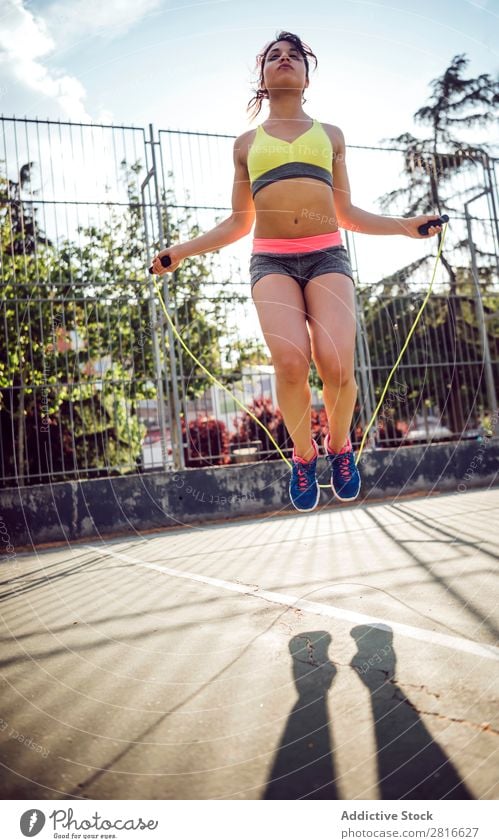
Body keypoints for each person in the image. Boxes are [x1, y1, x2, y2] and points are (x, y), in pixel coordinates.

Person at [150, 30, 443, 513]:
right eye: (273, 56)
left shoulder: (331, 136)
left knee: (338, 366)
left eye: (293, 56)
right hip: (271, 261)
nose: (283, 60)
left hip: (327, 255)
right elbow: (239, 223)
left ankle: (340, 448)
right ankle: (304, 456)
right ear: (262, 77)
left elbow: (347, 215)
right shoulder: (246, 144)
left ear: (307, 77)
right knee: (290, 364)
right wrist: (180, 251)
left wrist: (406, 228)